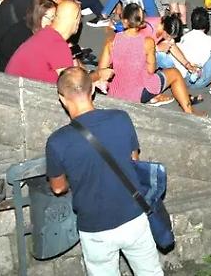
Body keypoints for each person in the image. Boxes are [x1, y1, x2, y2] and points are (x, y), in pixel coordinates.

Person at [45, 67, 164, 276]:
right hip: (133, 215)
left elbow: (57, 188)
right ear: (92, 91)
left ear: (62, 99)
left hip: (95, 226)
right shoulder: (121, 118)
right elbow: (133, 158)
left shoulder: (57, 142)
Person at [97, 4, 197, 113]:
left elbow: (101, 72)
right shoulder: (147, 37)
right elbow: (150, 70)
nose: (170, 40)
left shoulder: (111, 41)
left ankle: (162, 94)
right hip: (138, 92)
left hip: (116, 92)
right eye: (169, 37)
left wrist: (187, 64)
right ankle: (189, 112)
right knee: (173, 72)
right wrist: (156, 49)